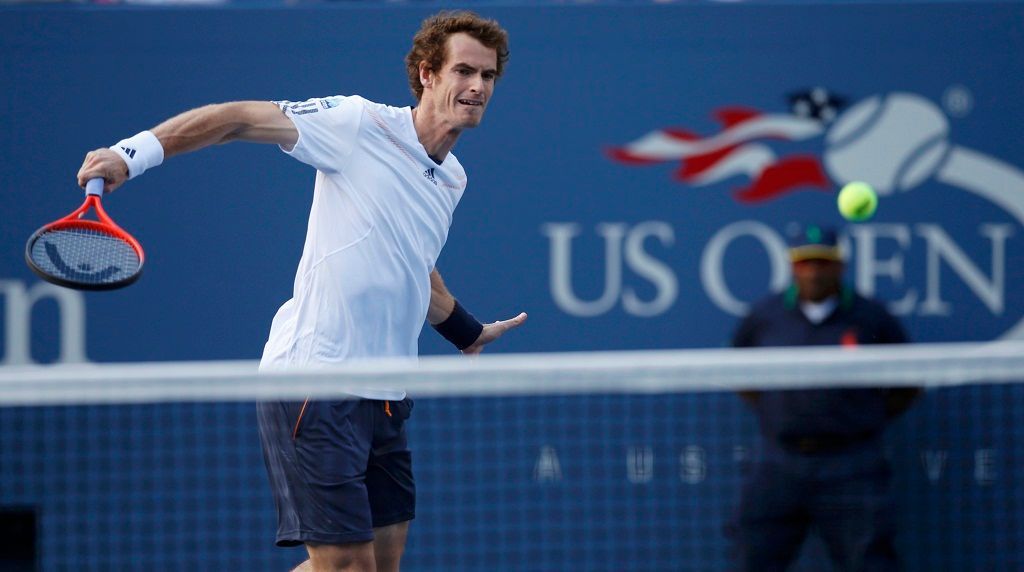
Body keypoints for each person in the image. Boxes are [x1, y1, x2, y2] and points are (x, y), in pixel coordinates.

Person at [75, 11, 525, 572]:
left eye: (488, 76)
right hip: (316, 380)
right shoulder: (359, 125)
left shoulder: (453, 178)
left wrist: (465, 331)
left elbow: (416, 267)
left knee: (381, 567)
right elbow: (237, 119)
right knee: (343, 566)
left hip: (384, 393)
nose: (478, 87)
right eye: (463, 71)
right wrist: (131, 153)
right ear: (427, 73)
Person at [729, 224, 919, 572]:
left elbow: (908, 383)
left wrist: (860, 418)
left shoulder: (871, 317)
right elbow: (741, 375)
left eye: (823, 262)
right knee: (752, 559)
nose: (814, 271)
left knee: (869, 562)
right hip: (779, 463)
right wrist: (782, 414)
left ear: (840, 265)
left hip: (853, 464)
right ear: (792, 266)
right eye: (805, 262)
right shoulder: (764, 317)